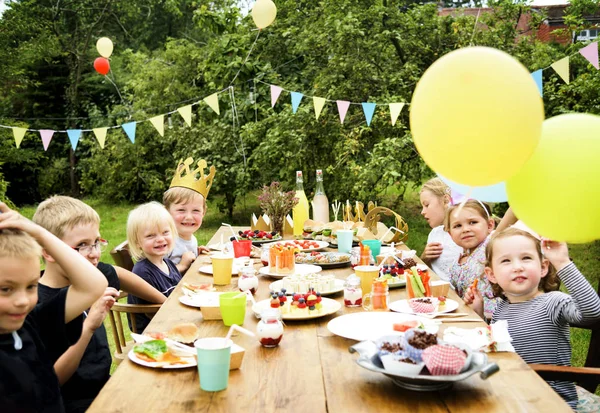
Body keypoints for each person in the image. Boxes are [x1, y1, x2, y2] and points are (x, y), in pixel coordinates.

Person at [32, 196, 167, 413]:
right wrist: (87, 329)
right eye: (81, 245)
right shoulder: (35, 302)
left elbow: (120, 274)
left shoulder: (94, 273)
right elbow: (51, 380)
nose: (94, 253)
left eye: (96, 242)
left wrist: (166, 302)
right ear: (48, 251)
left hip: (108, 388)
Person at [465, 228, 600, 409]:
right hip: (510, 393)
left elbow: (593, 312)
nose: (517, 266)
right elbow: (497, 347)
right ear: (492, 275)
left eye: (526, 258)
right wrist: (479, 314)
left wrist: (562, 262)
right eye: (506, 261)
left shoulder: (553, 302)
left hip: (549, 401)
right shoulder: (502, 308)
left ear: (543, 267)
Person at [0, 203, 107, 413]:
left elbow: (94, 285)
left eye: (31, 286)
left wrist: (37, 233)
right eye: (5, 289)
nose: (22, 300)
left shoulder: (29, 324)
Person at [126, 202, 182, 332]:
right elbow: (152, 314)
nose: (160, 239)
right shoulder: (143, 272)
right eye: (150, 235)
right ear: (137, 242)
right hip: (152, 333)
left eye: (165, 232)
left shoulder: (168, 263)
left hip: (172, 322)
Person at [445, 199, 499, 316]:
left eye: (473, 222)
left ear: (490, 225)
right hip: (468, 317)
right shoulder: (457, 261)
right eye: (458, 225)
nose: (465, 229)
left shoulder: (491, 247)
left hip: (493, 320)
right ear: (450, 234)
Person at [164, 157, 216, 274]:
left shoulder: (192, 239)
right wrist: (181, 266)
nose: (189, 217)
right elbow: (157, 277)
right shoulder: (165, 242)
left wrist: (196, 255)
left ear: (203, 213)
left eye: (196, 211)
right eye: (181, 210)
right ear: (166, 212)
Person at [419, 178, 462, 282]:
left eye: (427, 205)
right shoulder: (435, 233)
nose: (422, 212)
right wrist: (425, 258)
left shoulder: (466, 234)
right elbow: (428, 271)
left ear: (446, 200)